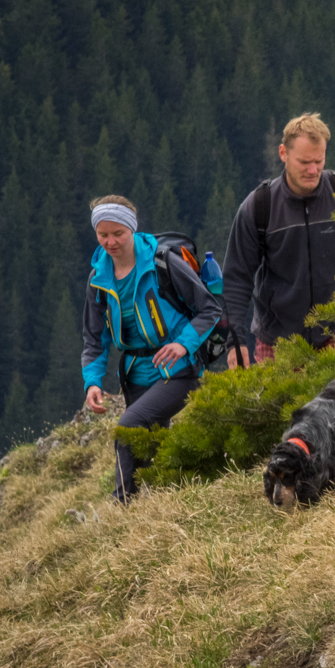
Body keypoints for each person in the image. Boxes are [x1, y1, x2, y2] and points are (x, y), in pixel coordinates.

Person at [81, 196, 219, 503]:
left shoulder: (163, 263)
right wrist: (92, 381)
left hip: (180, 370)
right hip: (136, 374)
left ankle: (121, 507)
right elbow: (94, 339)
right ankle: (155, 507)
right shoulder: (98, 279)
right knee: (148, 449)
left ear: (133, 228)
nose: (111, 242)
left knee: (128, 427)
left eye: (118, 233)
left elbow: (209, 309)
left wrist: (183, 345)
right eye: (103, 235)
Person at [222, 112, 335, 367]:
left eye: (318, 161)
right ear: (283, 153)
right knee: (278, 409)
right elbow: (236, 279)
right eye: (304, 162)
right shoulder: (259, 207)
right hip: (279, 340)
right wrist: (235, 341)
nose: (313, 170)